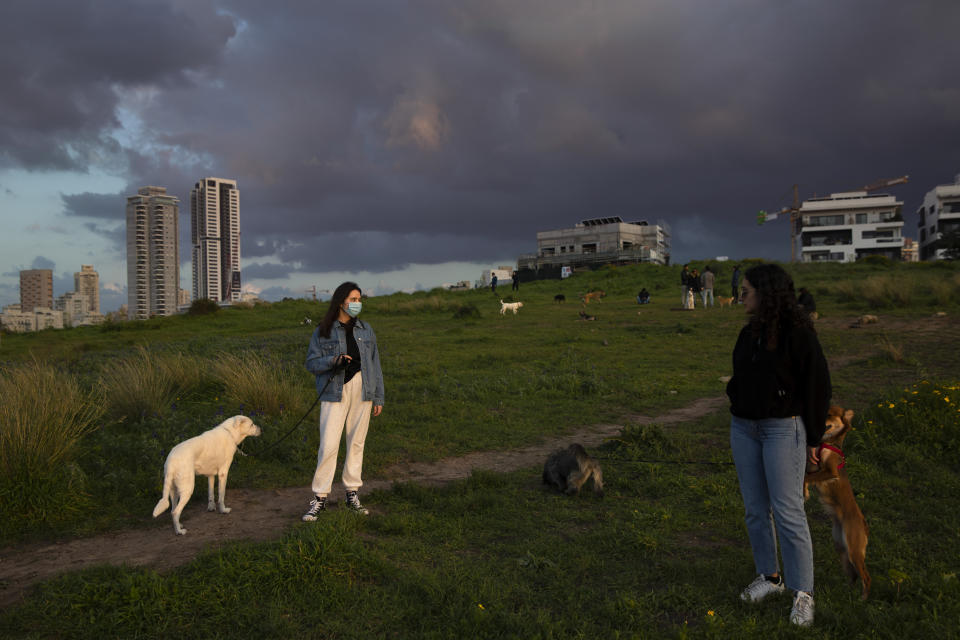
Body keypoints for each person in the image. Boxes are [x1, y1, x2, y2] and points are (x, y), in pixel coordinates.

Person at [725, 263, 831, 627]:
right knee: (755, 509)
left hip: (784, 431)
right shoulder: (748, 332)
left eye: (748, 291)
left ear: (766, 295)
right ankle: (769, 577)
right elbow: (740, 376)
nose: (742, 296)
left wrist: (814, 439)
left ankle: (803, 593)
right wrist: (737, 398)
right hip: (744, 429)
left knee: (788, 512)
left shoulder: (799, 335)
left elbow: (818, 386)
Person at [303, 282, 384, 520]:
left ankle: (352, 493)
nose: (357, 303)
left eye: (360, 299)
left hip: (363, 389)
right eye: (353, 299)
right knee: (328, 445)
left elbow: (375, 364)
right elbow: (311, 363)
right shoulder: (323, 331)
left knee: (356, 443)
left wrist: (378, 395)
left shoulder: (366, 329)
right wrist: (333, 360)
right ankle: (319, 498)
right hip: (334, 392)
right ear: (341, 302)